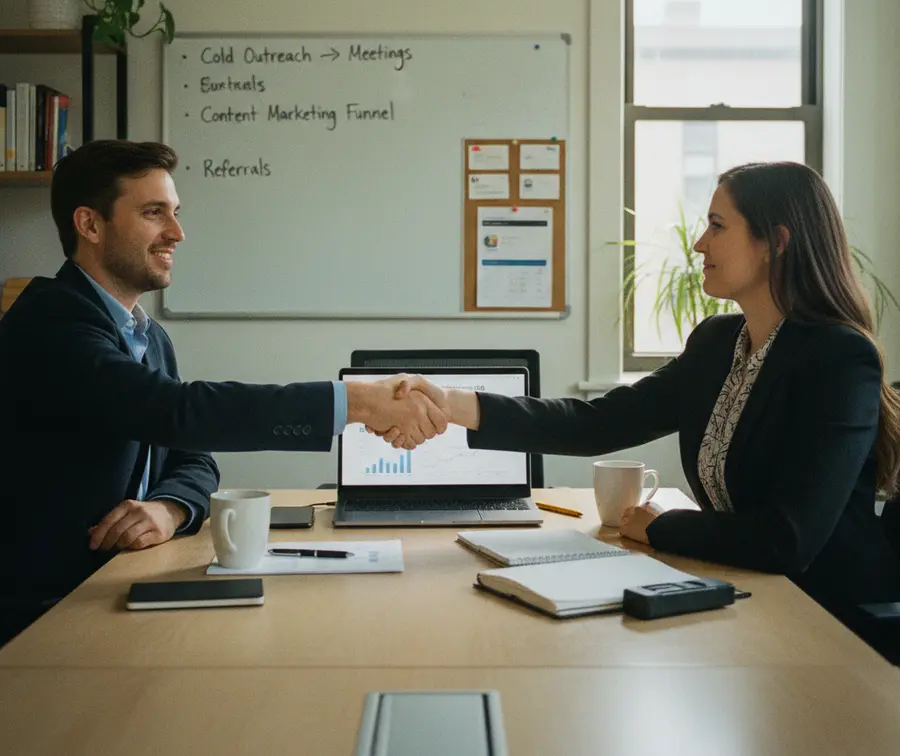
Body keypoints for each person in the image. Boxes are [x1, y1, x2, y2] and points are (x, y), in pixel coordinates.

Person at [388, 162, 900, 655]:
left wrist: (659, 524)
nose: (700, 243)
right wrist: (453, 405)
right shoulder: (718, 343)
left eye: (717, 227)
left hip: (830, 619)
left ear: (777, 243)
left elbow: (787, 539)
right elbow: (598, 424)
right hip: (745, 593)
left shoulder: (838, 358)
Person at [0, 139, 447, 646]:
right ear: (90, 224)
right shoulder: (51, 321)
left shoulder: (147, 338)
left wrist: (169, 508)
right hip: (42, 616)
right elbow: (175, 412)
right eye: (154, 213)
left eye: (175, 212)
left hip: (114, 588)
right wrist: (358, 402)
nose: (177, 232)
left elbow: (193, 456)